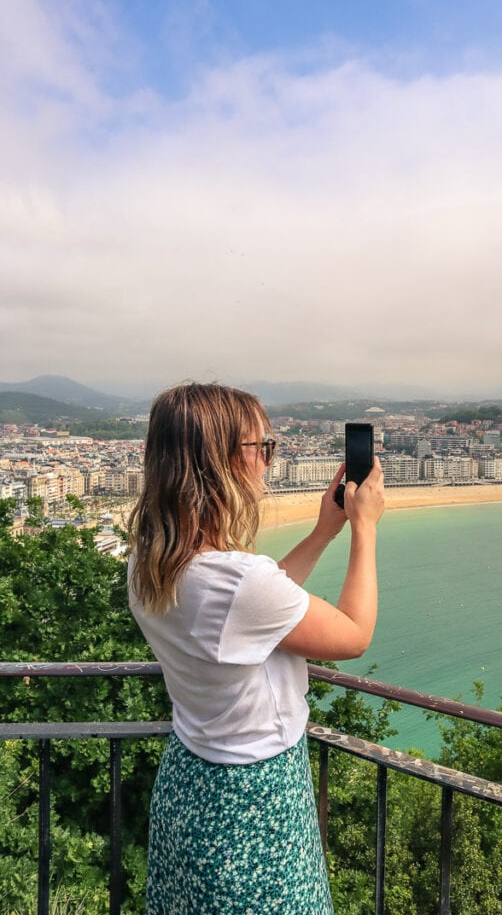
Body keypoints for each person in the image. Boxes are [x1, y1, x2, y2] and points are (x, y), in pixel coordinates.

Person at [128, 382, 384, 915]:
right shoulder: (236, 583)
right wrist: (365, 528)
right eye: (260, 448)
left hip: (189, 781)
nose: (269, 461)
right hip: (253, 797)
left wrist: (323, 531)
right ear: (219, 461)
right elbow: (353, 635)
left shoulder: (150, 560)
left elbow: (257, 612)